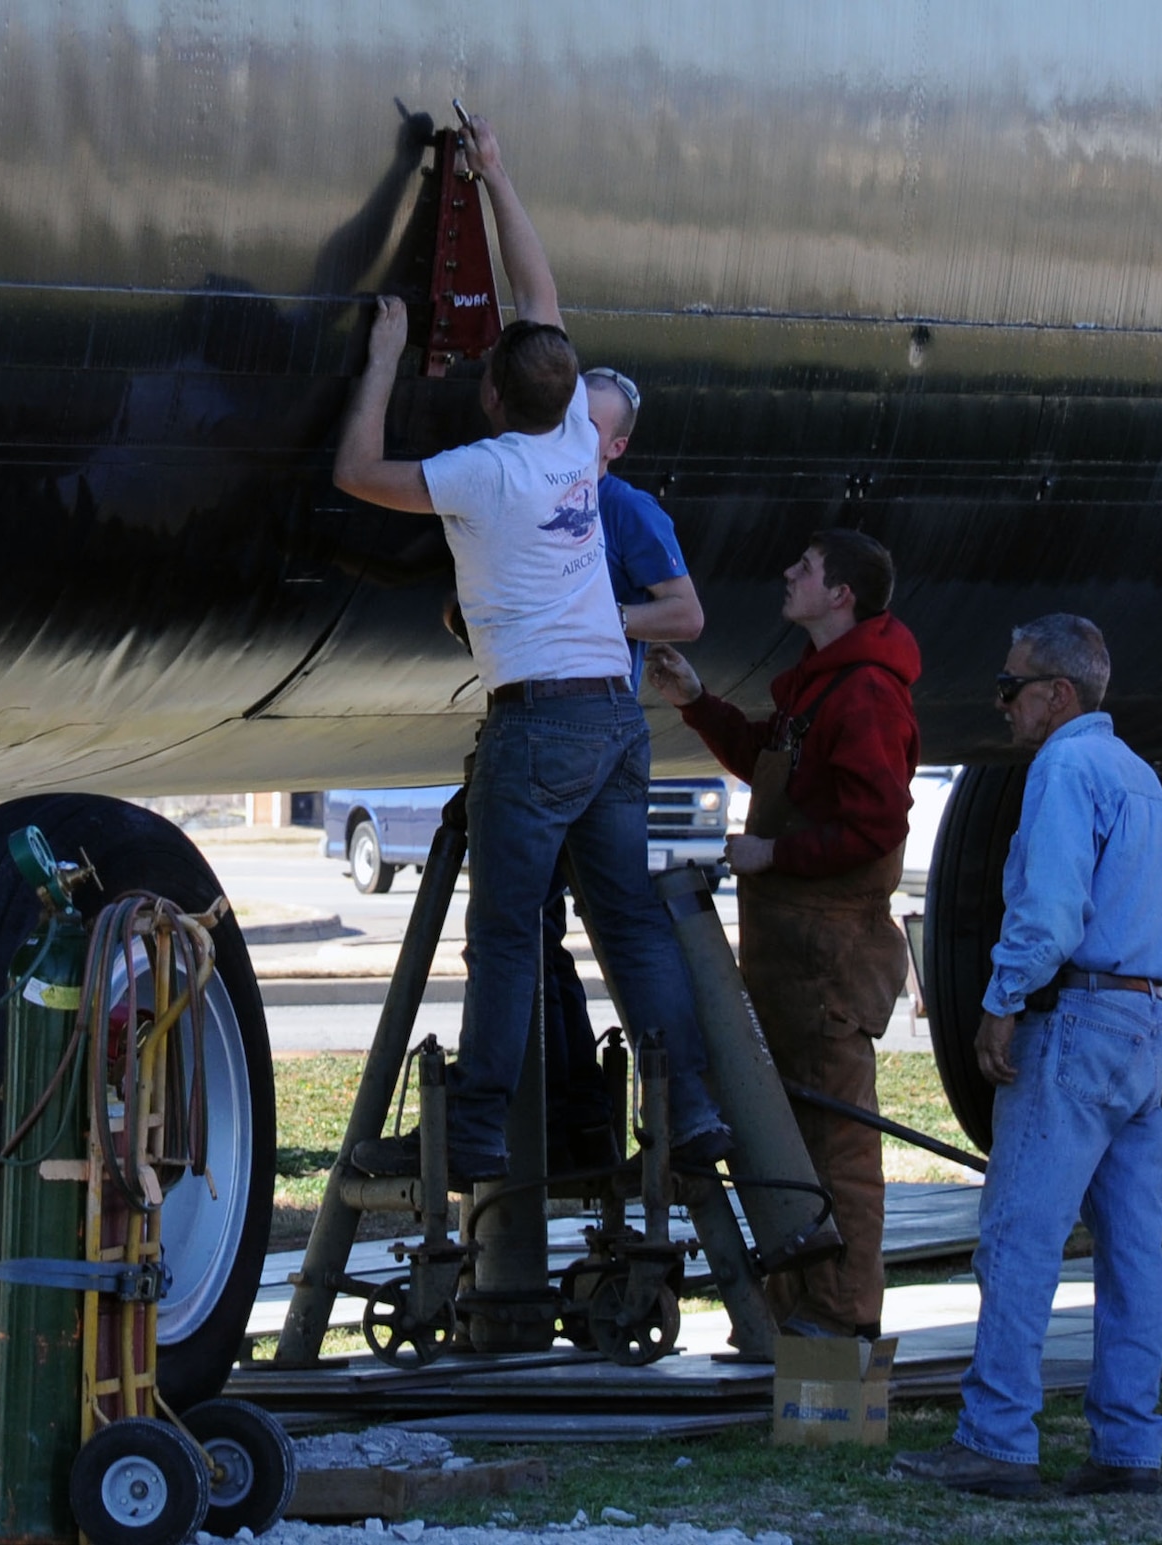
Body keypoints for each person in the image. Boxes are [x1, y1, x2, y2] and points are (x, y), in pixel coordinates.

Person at [333, 114, 729, 1184]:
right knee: (631, 931)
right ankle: (688, 1111)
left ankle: (474, 1134)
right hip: (613, 711)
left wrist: (377, 361)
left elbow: (358, 472)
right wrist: (497, 174)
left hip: (538, 720)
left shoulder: (478, 470)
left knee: (507, 938)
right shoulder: (570, 444)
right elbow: (537, 297)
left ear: (491, 395)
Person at [897, 615, 1162, 1499]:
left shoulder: (1062, 768)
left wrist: (998, 1004)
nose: (1003, 701)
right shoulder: (1135, 773)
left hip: (1079, 1020)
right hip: (1149, 1026)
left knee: (1020, 1236)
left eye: (1012, 685)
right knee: (1133, 1250)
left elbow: (1050, 914)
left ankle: (996, 1439)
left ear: (1057, 695)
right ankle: (1130, 1444)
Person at [646, 530, 919, 1339]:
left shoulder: (864, 692)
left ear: (841, 595)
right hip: (796, 956)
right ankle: (799, 1305)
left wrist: (775, 852)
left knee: (835, 1143)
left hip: (828, 960)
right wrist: (697, 701)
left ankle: (838, 1314)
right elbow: (774, 756)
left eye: (803, 566)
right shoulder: (822, 687)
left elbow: (874, 825)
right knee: (790, 1134)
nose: (786, 572)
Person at [543, 366, 709, 1171]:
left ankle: (688, 1104)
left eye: (591, 425)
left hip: (597, 722)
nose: (575, 434)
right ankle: (567, 1103)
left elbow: (685, 612)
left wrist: (603, 616)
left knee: (620, 926)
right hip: (559, 722)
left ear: (616, 444)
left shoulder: (625, 508)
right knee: (535, 925)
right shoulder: (538, 491)